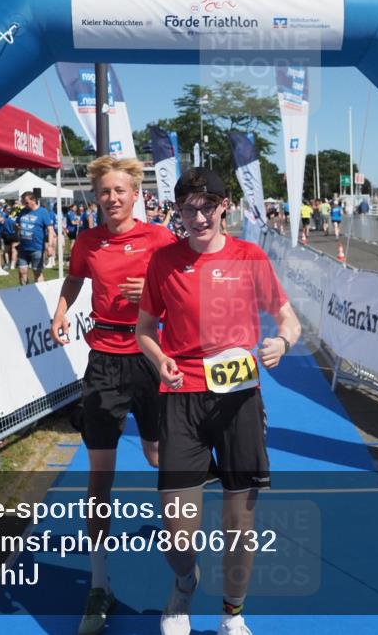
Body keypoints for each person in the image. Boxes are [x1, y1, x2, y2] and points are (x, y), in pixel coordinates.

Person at [136, 167, 301, 635]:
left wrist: (282, 344)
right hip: (181, 397)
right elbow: (145, 331)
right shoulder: (164, 261)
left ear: (224, 205)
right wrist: (159, 359)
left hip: (239, 401)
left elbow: (288, 320)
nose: (197, 216)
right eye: (187, 208)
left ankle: (232, 613)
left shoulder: (250, 257)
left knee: (238, 522)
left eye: (207, 206)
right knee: (177, 527)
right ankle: (185, 581)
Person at [49, 156, 176, 635]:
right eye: (105, 192)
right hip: (103, 359)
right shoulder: (87, 240)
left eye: (120, 190)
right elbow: (77, 276)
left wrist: (153, 287)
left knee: (158, 455)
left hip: (150, 355)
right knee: (100, 472)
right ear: (97, 196)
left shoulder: (161, 238)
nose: (113, 198)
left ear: (134, 193)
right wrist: (62, 310)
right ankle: (99, 583)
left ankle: (179, 568)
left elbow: (185, 282)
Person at [16, 191, 54, 284]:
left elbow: (50, 229)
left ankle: (41, 294)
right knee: (22, 271)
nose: (25, 204)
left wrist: (50, 246)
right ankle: (25, 294)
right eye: (24, 202)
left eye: (26, 202)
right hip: (23, 248)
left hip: (37, 248)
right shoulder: (23, 211)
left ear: (33, 200)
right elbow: (17, 223)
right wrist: (17, 226)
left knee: (37, 273)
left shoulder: (43, 212)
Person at [1, 203, 19, 270]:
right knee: (13, 250)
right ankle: (12, 265)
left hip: (7, 234)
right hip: (12, 234)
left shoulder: (3, 216)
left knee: (7, 250)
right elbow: (17, 226)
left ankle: (8, 264)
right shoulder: (14, 216)